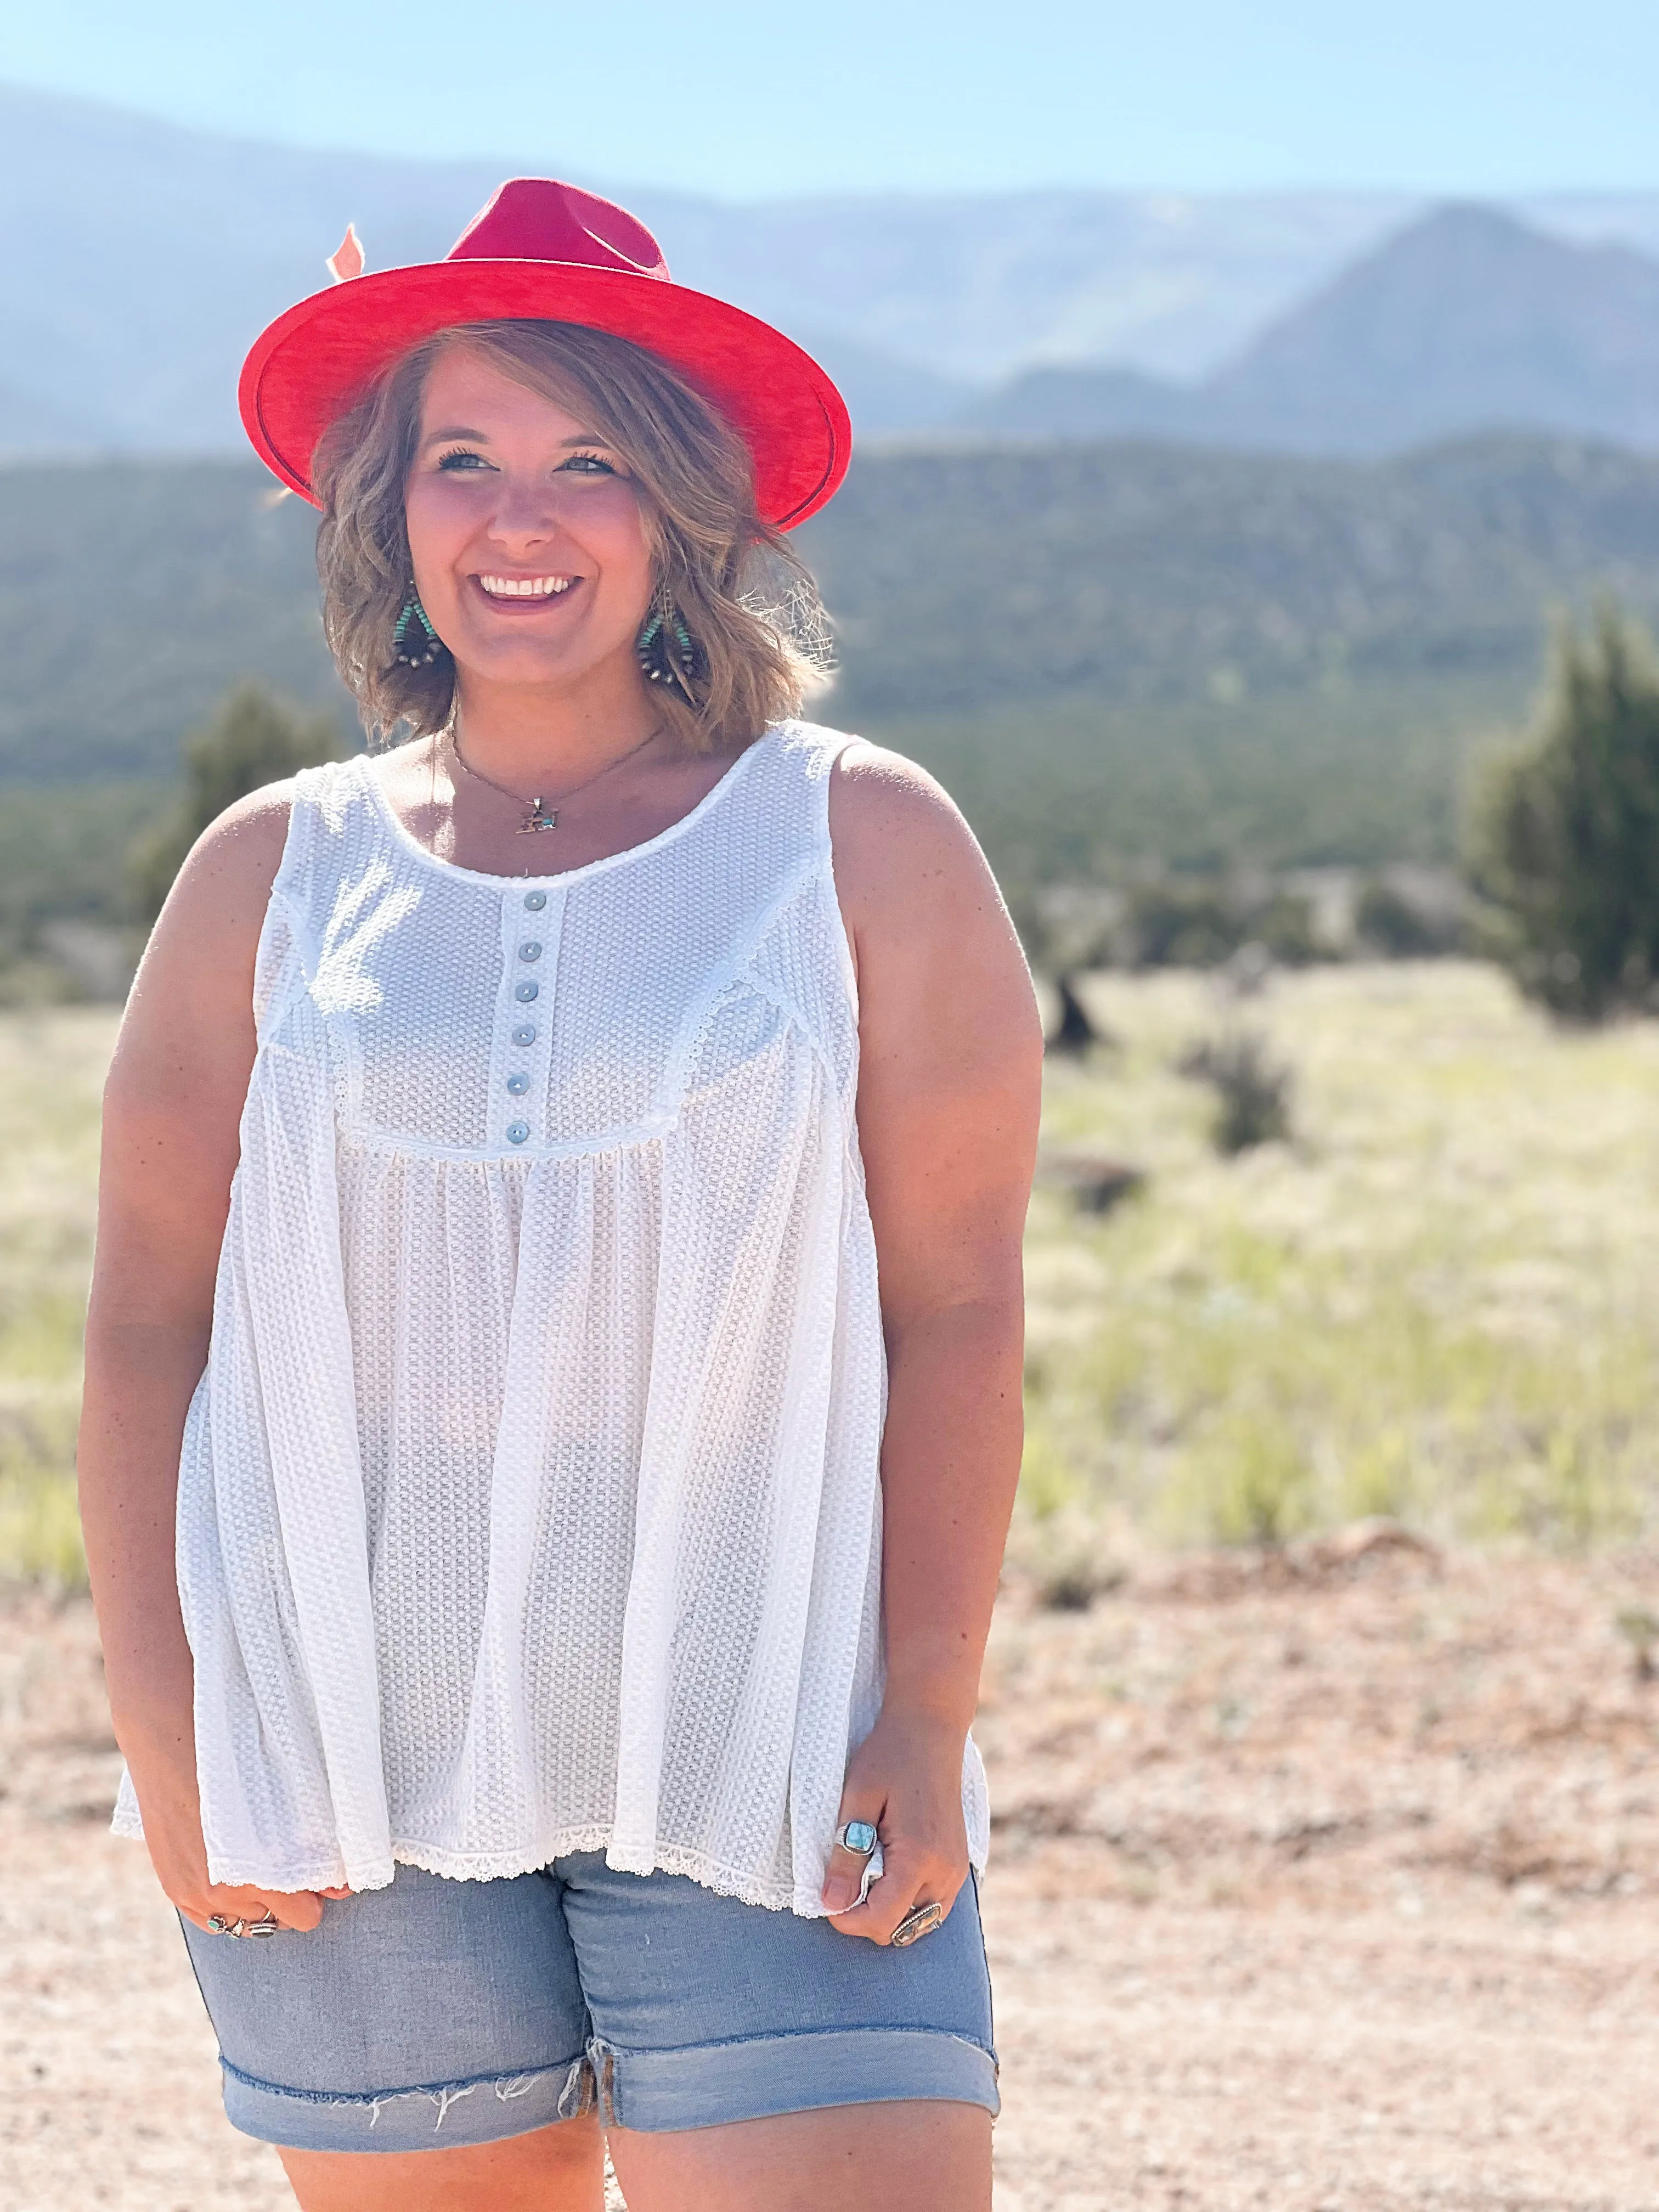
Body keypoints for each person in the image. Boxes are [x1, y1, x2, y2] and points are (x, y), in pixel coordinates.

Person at [78, 179, 1042, 2212]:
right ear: (393, 512)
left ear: (685, 509)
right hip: (341, 1740)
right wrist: (168, 1739)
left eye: (589, 461)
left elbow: (955, 1301)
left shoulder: (854, 843)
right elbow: (148, 1323)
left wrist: (930, 1706)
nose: (523, 520)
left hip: (765, 1719)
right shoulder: (271, 876)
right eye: (467, 460)